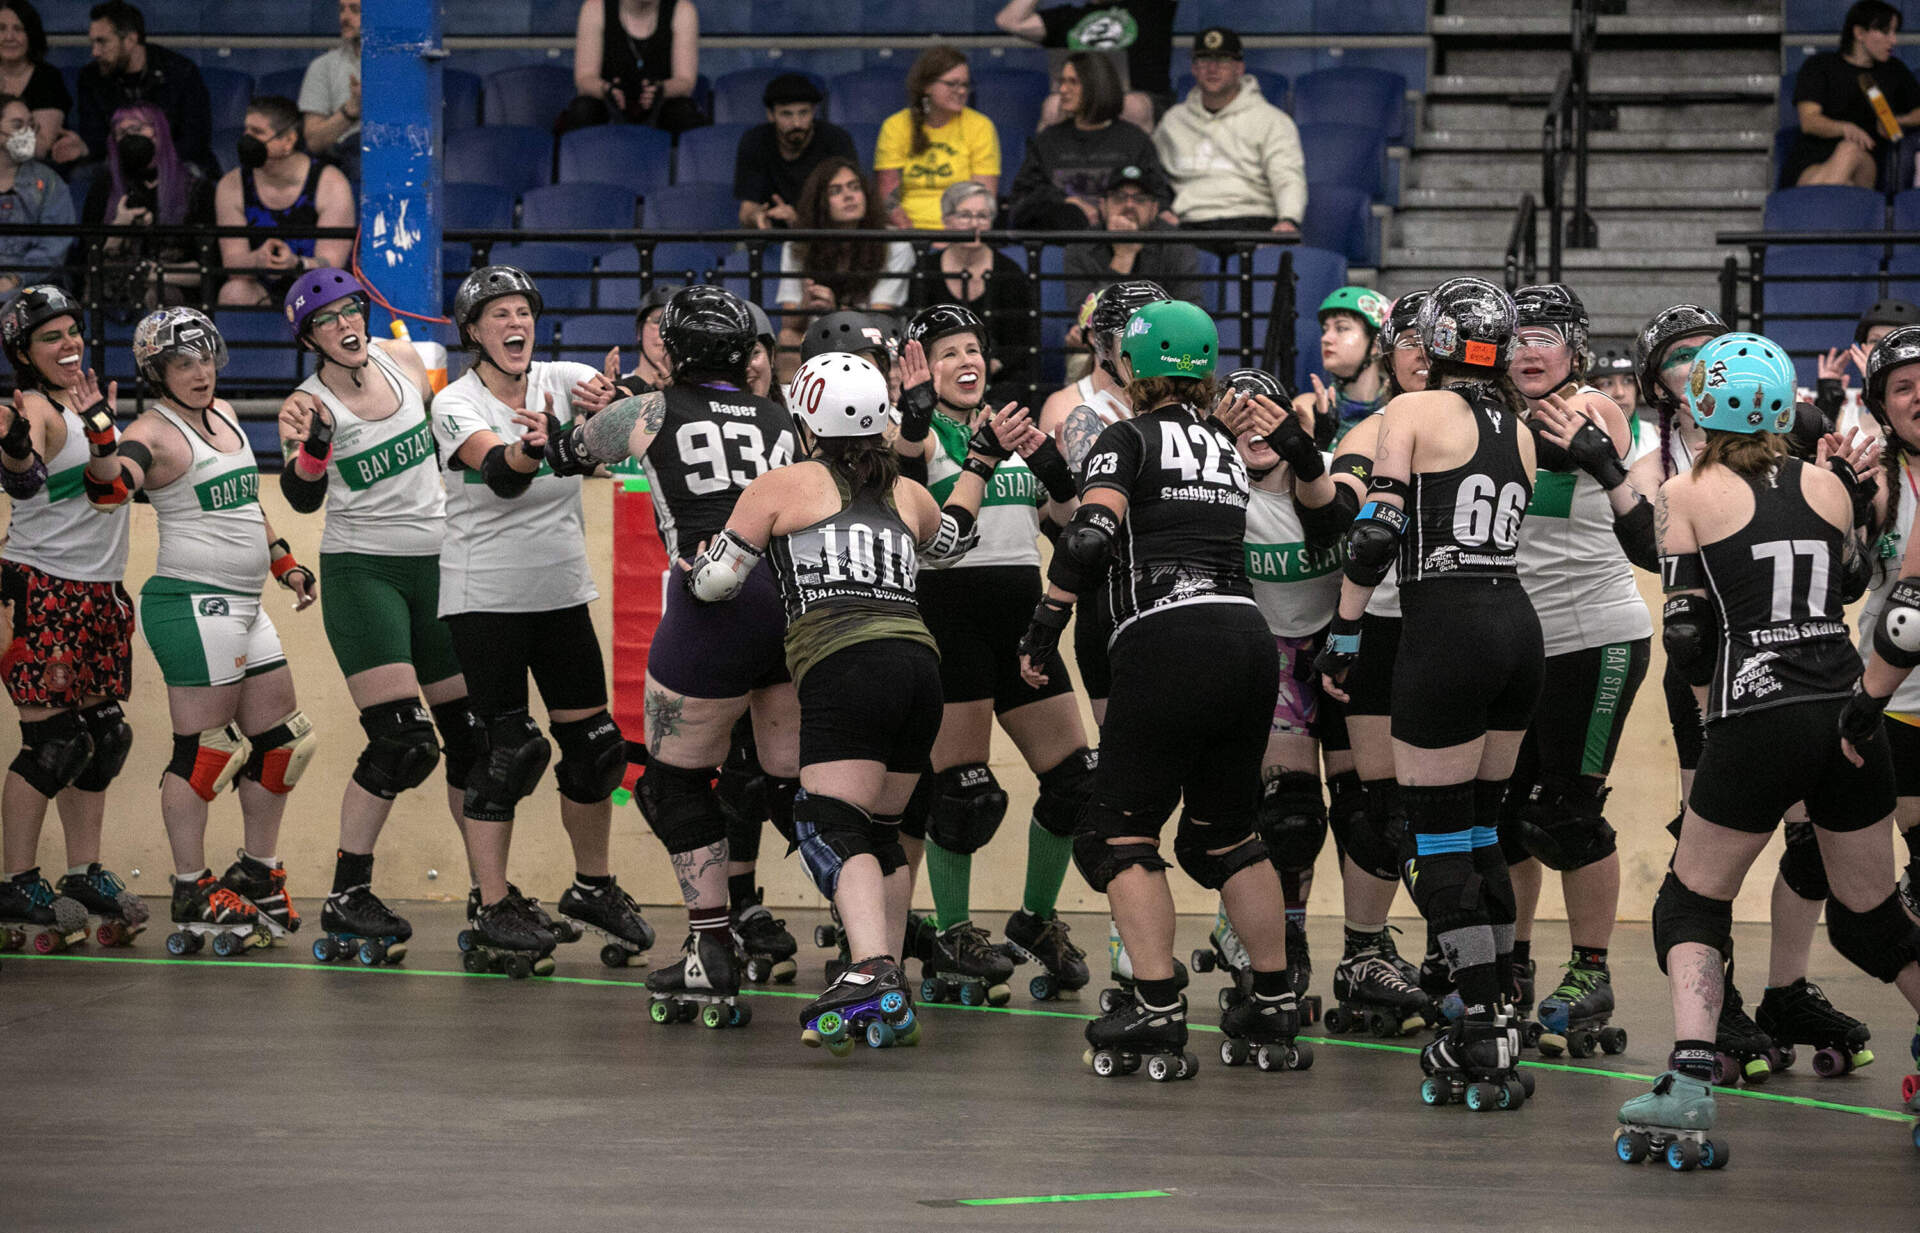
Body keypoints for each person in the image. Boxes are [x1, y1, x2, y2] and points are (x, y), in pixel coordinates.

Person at [1620, 330, 1920, 1160]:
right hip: (1846, 705)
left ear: (1701, 405)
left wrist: (1714, 711)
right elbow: (1857, 582)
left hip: (1758, 711)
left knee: (1690, 898)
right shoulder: (1827, 483)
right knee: (1874, 919)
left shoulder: (1686, 489)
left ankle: (1686, 1078)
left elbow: (1686, 637)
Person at [1018, 297, 1309, 1079]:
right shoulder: (1223, 441)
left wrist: (1047, 620)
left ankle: (1154, 1004)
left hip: (1166, 636)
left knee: (1119, 833)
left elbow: (1090, 532)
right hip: (1247, 640)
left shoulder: (1126, 435)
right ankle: (1273, 997)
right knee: (1230, 830)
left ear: (1133, 366)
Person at [673, 351, 998, 1047]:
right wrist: (981, 467)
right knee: (881, 829)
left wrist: (692, 566)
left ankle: (872, 968)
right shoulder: (908, 492)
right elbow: (954, 543)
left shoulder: (783, 483)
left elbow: (718, 583)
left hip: (845, 663)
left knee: (826, 821)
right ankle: (885, 979)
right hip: (919, 665)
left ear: (807, 417)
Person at [537, 285, 803, 1012]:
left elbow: (561, 453)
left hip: (711, 599)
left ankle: (710, 946)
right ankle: (872, 937)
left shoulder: (648, 409)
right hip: (787, 598)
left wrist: (559, 429)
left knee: (670, 782)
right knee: (794, 786)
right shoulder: (781, 420)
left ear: (676, 348)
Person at [1316, 277, 1541, 1109]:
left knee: (1438, 836)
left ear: (1437, 342)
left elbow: (1377, 534)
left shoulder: (1410, 412)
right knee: (1484, 826)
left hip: (1447, 631)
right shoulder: (1517, 427)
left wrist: (1343, 633)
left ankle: (1479, 1022)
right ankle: (1502, 996)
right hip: (1518, 628)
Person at [429, 265, 652, 976]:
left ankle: (591, 885)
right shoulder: (455, 402)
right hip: (484, 599)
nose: (513, 321)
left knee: (595, 748)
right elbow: (498, 470)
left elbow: (629, 434)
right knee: (508, 753)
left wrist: (614, 404)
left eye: (521, 309)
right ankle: (492, 902)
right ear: (474, 332)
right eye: (497, 314)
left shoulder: (566, 377)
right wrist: (545, 444)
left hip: (559, 593)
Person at [83, 307, 316, 955]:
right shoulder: (152, 432)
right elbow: (108, 486)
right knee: (207, 752)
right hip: (191, 602)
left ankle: (257, 873)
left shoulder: (228, 417)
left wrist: (287, 564)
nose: (200, 371)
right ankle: (190, 885)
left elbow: (248, 504)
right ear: (156, 372)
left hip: (245, 600)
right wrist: (101, 432)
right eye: (183, 362)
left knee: (284, 742)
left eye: (206, 357)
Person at [886, 303, 1091, 1003]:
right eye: (947, 352)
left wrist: (1050, 465)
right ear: (920, 369)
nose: (965, 360)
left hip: (1021, 625)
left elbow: (1067, 530)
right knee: (964, 795)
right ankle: (952, 936)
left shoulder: (1001, 430)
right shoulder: (917, 435)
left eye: (972, 348)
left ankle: (1034, 920)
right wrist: (915, 417)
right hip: (949, 622)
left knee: (1075, 779)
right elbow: (909, 487)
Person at [271, 269, 475, 965]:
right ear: (309, 338)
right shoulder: (304, 406)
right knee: (402, 742)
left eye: (352, 311)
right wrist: (318, 446)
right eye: (329, 321)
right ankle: (347, 891)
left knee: (474, 740)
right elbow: (300, 498)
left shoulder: (407, 356)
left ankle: (492, 893)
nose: (347, 325)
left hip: (438, 564)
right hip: (366, 573)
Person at [1491, 284, 1650, 1058]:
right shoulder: (1491, 407)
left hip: (1597, 636)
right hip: (1520, 639)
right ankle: (1513, 962)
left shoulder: (1595, 407)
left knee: (1567, 811)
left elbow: (1551, 448)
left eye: (1544, 336)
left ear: (1575, 349)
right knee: (1508, 813)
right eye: (1514, 336)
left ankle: (1590, 971)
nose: (1526, 348)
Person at [1201, 366, 1365, 1026]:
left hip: (1342, 649)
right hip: (1271, 659)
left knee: (1365, 816)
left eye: (1264, 411)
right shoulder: (1216, 491)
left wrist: (1304, 448)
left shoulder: (1321, 467)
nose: (1254, 426)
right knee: (1291, 819)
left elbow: (1336, 521)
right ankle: (1284, 940)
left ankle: (1365, 950)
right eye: (1236, 417)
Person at [0, 286, 146, 952]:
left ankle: (83, 871)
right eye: (50, 338)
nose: (68, 346)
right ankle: (16, 877)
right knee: (55, 744)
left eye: (72, 332)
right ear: (24, 355)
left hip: (98, 592)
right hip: (41, 590)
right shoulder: (32, 407)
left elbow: (111, 493)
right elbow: (24, 478)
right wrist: (12, 444)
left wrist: (102, 425)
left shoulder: (86, 405)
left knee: (103, 737)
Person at [1316, 289, 1442, 1026]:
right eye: (1409, 343)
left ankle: (1478, 952)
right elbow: (1348, 509)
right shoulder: (1375, 426)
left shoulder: (1487, 421)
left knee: (1465, 810)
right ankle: (1364, 951)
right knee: (1382, 808)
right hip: (1386, 621)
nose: (1422, 355)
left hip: (1461, 627)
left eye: (1434, 343)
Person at [1037, 279, 1168, 729]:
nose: (1146, 346)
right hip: (1103, 592)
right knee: (1121, 750)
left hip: (1165, 585)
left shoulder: (1177, 402)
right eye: (1132, 335)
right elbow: (1080, 522)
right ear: (1102, 343)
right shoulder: (1069, 405)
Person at [1858, 325, 1920, 917]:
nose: (1919, 395)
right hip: (1893, 699)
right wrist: (1846, 506)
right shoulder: (1877, 480)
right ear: (1882, 406)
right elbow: (1846, 581)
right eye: (1903, 388)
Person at [1153, 26, 1303, 238]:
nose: (1212, 69)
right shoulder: (1173, 120)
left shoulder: (1272, 120)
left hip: (1252, 223)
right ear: (1194, 69)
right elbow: (1154, 176)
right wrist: (1162, 209)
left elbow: (1287, 177)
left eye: (1222, 61)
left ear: (1239, 69)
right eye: (1204, 61)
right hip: (1189, 227)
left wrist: (1288, 219)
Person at [774, 158, 912, 379]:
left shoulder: (894, 244)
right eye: (836, 191)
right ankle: (792, 408)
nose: (849, 196)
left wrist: (834, 311)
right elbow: (789, 322)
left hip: (875, 339)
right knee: (788, 337)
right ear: (820, 202)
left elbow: (879, 318)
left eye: (855, 187)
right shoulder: (797, 245)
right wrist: (807, 305)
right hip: (818, 335)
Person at [214, 95, 354, 308]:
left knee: (327, 292)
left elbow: (332, 266)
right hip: (260, 287)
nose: (247, 140)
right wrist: (258, 259)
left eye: (257, 133)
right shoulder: (232, 184)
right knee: (234, 291)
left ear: (288, 140)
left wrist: (295, 264)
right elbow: (232, 262)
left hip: (314, 287)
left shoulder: (329, 182)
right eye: (246, 131)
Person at [80, 103, 215, 314]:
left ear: (159, 131)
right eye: (122, 133)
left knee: (158, 293)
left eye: (137, 129)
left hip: (175, 294)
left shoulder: (197, 189)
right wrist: (118, 228)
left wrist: (154, 274)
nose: (130, 138)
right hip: (114, 294)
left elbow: (208, 267)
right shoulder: (103, 188)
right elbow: (88, 264)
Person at [1009, 52, 1163, 230]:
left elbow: (1158, 199)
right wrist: (1066, 202)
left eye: (1073, 82)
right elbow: (1022, 199)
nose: (1063, 90)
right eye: (1062, 82)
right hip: (1060, 242)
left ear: (1097, 86)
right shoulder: (1048, 141)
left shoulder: (1134, 141)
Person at [914, 182, 1035, 405]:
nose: (975, 224)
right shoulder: (926, 270)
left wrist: (988, 365)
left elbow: (1022, 341)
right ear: (946, 220)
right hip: (937, 377)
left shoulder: (1010, 272)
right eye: (965, 215)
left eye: (982, 216)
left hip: (999, 379)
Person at [1782, 0, 1920, 188]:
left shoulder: (1894, 71)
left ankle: (1815, 210)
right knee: (1842, 182)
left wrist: (1898, 121)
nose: (1893, 40)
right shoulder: (1820, 66)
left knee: (1849, 150)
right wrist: (1846, 128)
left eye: (1895, 32)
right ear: (1860, 33)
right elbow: (1809, 121)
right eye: (1886, 32)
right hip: (1813, 159)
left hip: (1866, 161)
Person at [874, 47, 1000, 232]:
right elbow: (888, 198)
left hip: (961, 232)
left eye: (965, 84)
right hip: (906, 233)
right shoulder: (896, 126)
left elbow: (982, 200)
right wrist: (913, 237)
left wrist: (950, 237)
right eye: (952, 84)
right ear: (927, 86)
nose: (961, 91)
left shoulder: (980, 126)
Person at [76, 2, 212, 174]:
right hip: (119, 163)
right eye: (93, 42)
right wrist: (83, 147)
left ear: (130, 40)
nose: (94, 52)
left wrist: (152, 162)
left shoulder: (180, 72)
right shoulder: (91, 77)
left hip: (174, 161)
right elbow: (95, 136)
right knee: (82, 174)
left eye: (102, 42)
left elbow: (195, 139)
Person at [994, 0, 1173, 130]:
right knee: (1052, 106)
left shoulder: (1152, 7)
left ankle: (1138, 179)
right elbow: (1009, 21)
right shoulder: (1068, 17)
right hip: (1079, 98)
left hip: (1140, 99)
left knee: (1131, 105)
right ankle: (1046, 179)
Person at [1062, 163, 1199, 309]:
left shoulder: (1177, 244)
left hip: (1160, 330)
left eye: (1140, 199)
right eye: (1119, 198)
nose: (1129, 205)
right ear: (1103, 206)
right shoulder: (1080, 246)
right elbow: (1082, 316)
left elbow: (1190, 312)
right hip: (1102, 332)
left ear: (1154, 209)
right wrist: (1123, 257)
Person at [561, 0, 706, 136]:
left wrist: (660, 90)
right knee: (584, 109)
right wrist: (607, 90)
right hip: (609, 104)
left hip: (661, 105)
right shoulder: (594, 8)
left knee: (682, 112)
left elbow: (685, 81)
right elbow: (584, 79)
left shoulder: (683, 11)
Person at [734, 72, 856, 231]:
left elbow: (849, 211)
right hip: (771, 234)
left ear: (813, 112)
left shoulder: (836, 140)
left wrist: (798, 222)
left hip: (825, 234)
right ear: (771, 115)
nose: (796, 123)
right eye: (786, 114)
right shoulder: (755, 141)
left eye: (803, 113)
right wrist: (757, 218)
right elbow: (747, 209)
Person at [1293, 286, 1392, 448]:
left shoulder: (1400, 409)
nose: (1326, 338)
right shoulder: (1309, 408)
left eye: (1341, 328)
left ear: (1376, 345)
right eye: (1325, 329)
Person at [0, 92, 71, 294]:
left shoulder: (49, 181)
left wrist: (14, 279)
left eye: (31, 125)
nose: (27, 133)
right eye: (17, 125)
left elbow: (55, 245)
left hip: (33, 291)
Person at [0, 0, 80, 164]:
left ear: (31, 35)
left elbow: (39, 148)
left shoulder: (48, 78)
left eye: (18, 29)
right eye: (1, 29)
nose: (9, 37)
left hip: (32, 171)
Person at [298, 0, 361, 181]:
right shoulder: (323, 66)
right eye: (342, 9)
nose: (345, 17)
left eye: (355, 10)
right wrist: (350, 111)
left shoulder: (401, 66)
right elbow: (314, 142)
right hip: (343, 159)